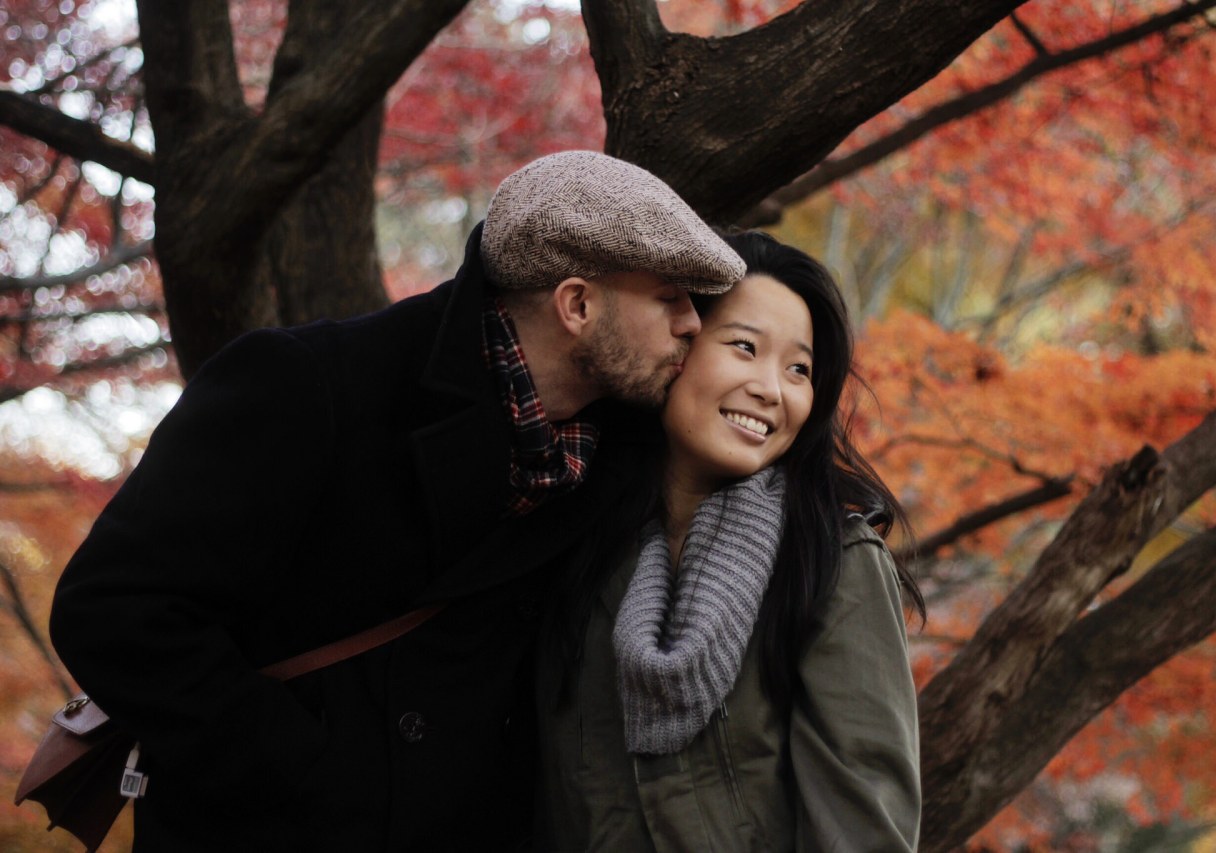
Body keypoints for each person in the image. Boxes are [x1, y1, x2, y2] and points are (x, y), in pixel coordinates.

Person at [46, 151, 745, 851]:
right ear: (578, 304)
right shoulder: (306, 385)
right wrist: (308, 766)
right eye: (668, 298)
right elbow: (112, 611)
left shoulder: (617, 450)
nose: (692, 323)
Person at [536, 230, 925, 851]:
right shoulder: (579, 548)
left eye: (799, 369)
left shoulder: (830, 561)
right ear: (677, 347)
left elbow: (862, 831)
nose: (772, 389)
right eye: (744, 347)